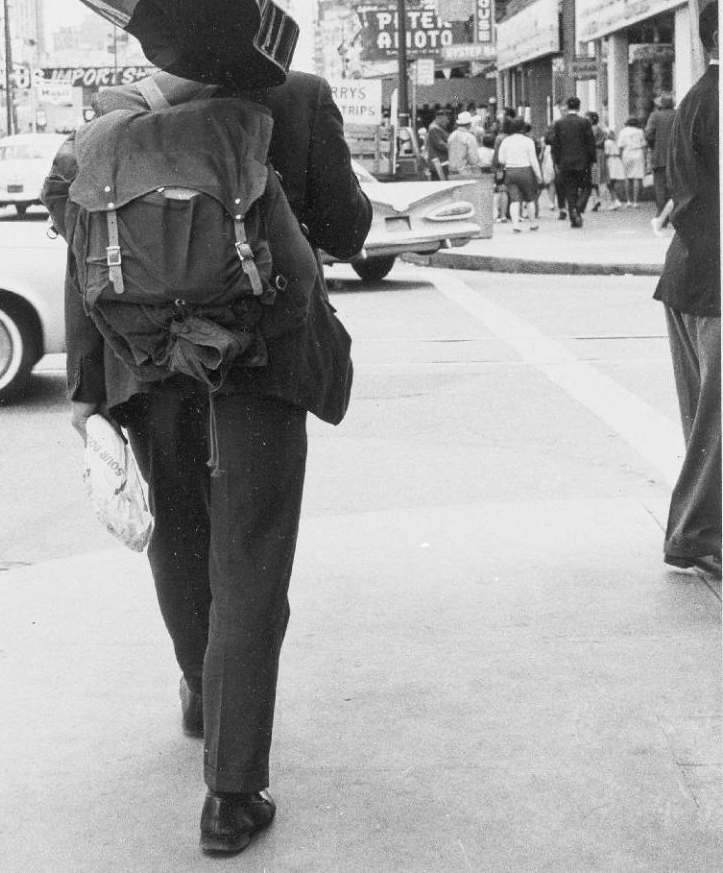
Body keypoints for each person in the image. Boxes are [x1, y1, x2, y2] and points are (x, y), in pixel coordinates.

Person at [44, 61, 371, 854]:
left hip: (148, 365)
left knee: (180, 542)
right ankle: (231, 794)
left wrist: (86, 386)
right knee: (251, 561)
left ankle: (202, 685)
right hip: (260, 368)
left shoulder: (119, 113)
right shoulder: (295, 97)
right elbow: (348, 230)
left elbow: (79, 250)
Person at [653, 0, 720, 579]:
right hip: (713, 282)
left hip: (689, 277)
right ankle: (695, 534)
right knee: (715, 423)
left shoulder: (696, 98)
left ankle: (704, 531)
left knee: (704, 419)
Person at [548, 96, 597, 227]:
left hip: (565, 162)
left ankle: (573, 216)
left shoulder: (559, 123)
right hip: (583, 162)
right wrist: (593, 159)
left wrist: (556, 162)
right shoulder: (584, 122)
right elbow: (590, 142)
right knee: (587, 187)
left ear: (568, 107)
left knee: (570, 190)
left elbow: (555, 145)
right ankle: (578, 209)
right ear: (579, 107)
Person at [495, 116, 541, 231]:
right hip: (526, 171)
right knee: (530, 199)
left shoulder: (506, 141)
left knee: (514, 200)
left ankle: (515, 225)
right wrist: (539, 175)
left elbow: (501, 160)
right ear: (523, 128)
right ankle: (533, 224)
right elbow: (533, 160)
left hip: (510, 171)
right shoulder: (528, 141)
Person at [645, 93, 677, 221]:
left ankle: (662, 217)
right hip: (676, 158)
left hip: (659, 157)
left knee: (660, 188)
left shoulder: (655, 116)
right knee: (674, 187)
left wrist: (653, 146)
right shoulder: (678, 114)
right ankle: (674, 215)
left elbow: (648, 134)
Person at [616, 115, 647, 206]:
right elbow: (644, 144)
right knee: (637, 178)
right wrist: (645, 158)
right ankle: (636, 201)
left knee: (627, 178)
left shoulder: (623, 132)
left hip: (627, 154)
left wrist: (620, 157)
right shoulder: (640, 131)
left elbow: (620, 146)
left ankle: (629, 201)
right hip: (638, 153)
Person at [447, 110, 481, 176]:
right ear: (469, 124)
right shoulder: (470, 137)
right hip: (465, 172)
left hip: (451, 171)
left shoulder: (451, 135)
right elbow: (473, 159)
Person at [425, 106, 451, 179]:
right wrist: (452, 148)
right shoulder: (434, 128)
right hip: (438, 161)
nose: (448, 122)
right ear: (440, 117)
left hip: (441, 160)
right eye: (446, 120)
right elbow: (439, 144)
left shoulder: (438, 127)